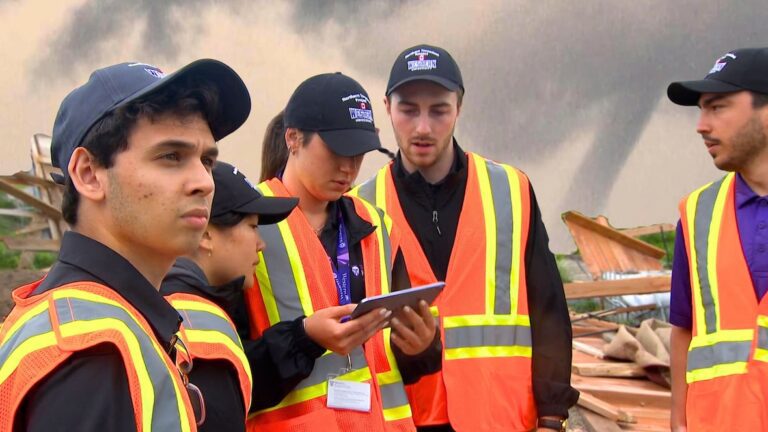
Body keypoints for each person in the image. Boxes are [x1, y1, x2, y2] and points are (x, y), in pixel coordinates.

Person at [0, 59, 250, 431]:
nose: (204, 181)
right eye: (171, 157)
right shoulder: (94, 356)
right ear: (88, 174)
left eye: (207, 160)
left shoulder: (107, 320)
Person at [350, 44, 578, 432]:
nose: (423, 127)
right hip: (408, 419)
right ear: (387, 107)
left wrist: (552, 417)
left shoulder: (512, 190)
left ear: (459, 107)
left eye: (438, 110)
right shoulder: (359, 208)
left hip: (501, 417)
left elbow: (548, 311)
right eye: (408, 110)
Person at [244, 72, 441, 431]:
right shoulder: (245, 224)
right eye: (337, 151)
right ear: (293, 138)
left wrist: (422, 347)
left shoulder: (380, 228)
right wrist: (304, 339)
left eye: (359, 154)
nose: (349, 168)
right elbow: (224, 373)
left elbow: (399, 358)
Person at [667, 47, 768, 431]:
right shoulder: (697, 214)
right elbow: (684, 328)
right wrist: (679, 421)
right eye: (700, 110)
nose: (701, 125)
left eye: (718, 107)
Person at [160, 161, 299, 431]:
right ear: (206, 235)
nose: (261, 244)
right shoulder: (192, 319)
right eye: (252, 226)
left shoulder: (173, 302)